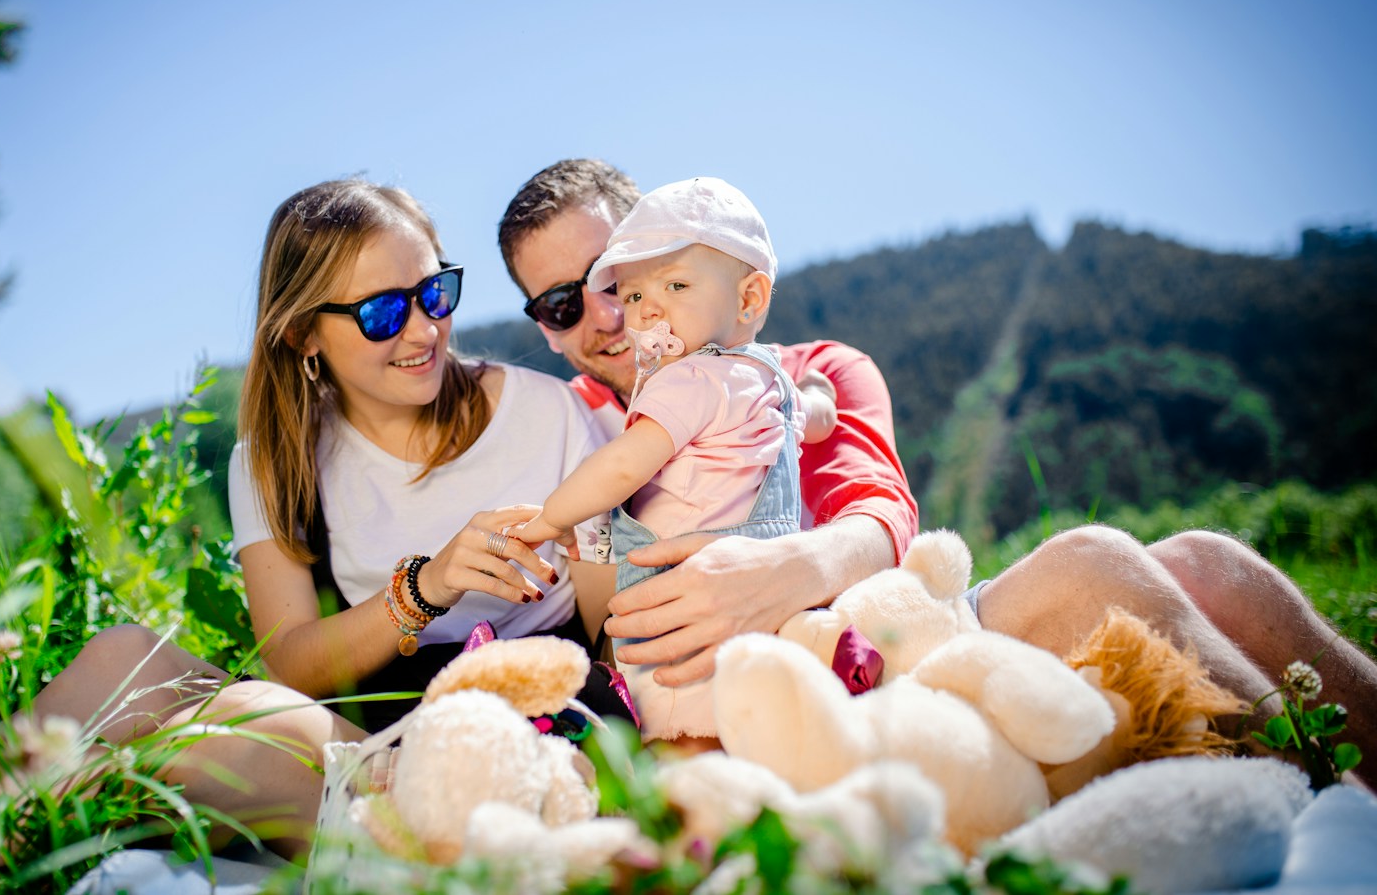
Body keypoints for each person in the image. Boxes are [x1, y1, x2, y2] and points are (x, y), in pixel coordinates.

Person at [499, 159, 1377, 782]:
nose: (612, 316)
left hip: (875, 634)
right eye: (564, 303)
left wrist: (788, 568)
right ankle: (1331, 805)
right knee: (1096, 566)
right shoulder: (573, 427)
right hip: (743, 701)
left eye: (623, 277)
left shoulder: (816, 368)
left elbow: (880, 512)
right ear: (541, 324)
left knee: (1208, 562)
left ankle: (1347, 797)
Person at [0, 177, 620, 858]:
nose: (424, 328)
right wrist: (425, 586)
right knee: (121, 655)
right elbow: (294, 664)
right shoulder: (275, 460)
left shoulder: (546, 414)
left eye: (434, 291)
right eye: (382, 312)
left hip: (521, 734)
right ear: (304, 335)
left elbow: (613, 636)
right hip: (377, 724)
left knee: (230, 728)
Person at [505, 177, 838, 743]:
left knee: (682, 738)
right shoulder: (766, 379)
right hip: (769, 611)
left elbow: (619, 470)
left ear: (750, 298)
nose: (635, 315)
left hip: (684, 630)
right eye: (634, 295)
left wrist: (548, 520)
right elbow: (817, 416)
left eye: (675, 285)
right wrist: (817, 392)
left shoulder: (683, 381)